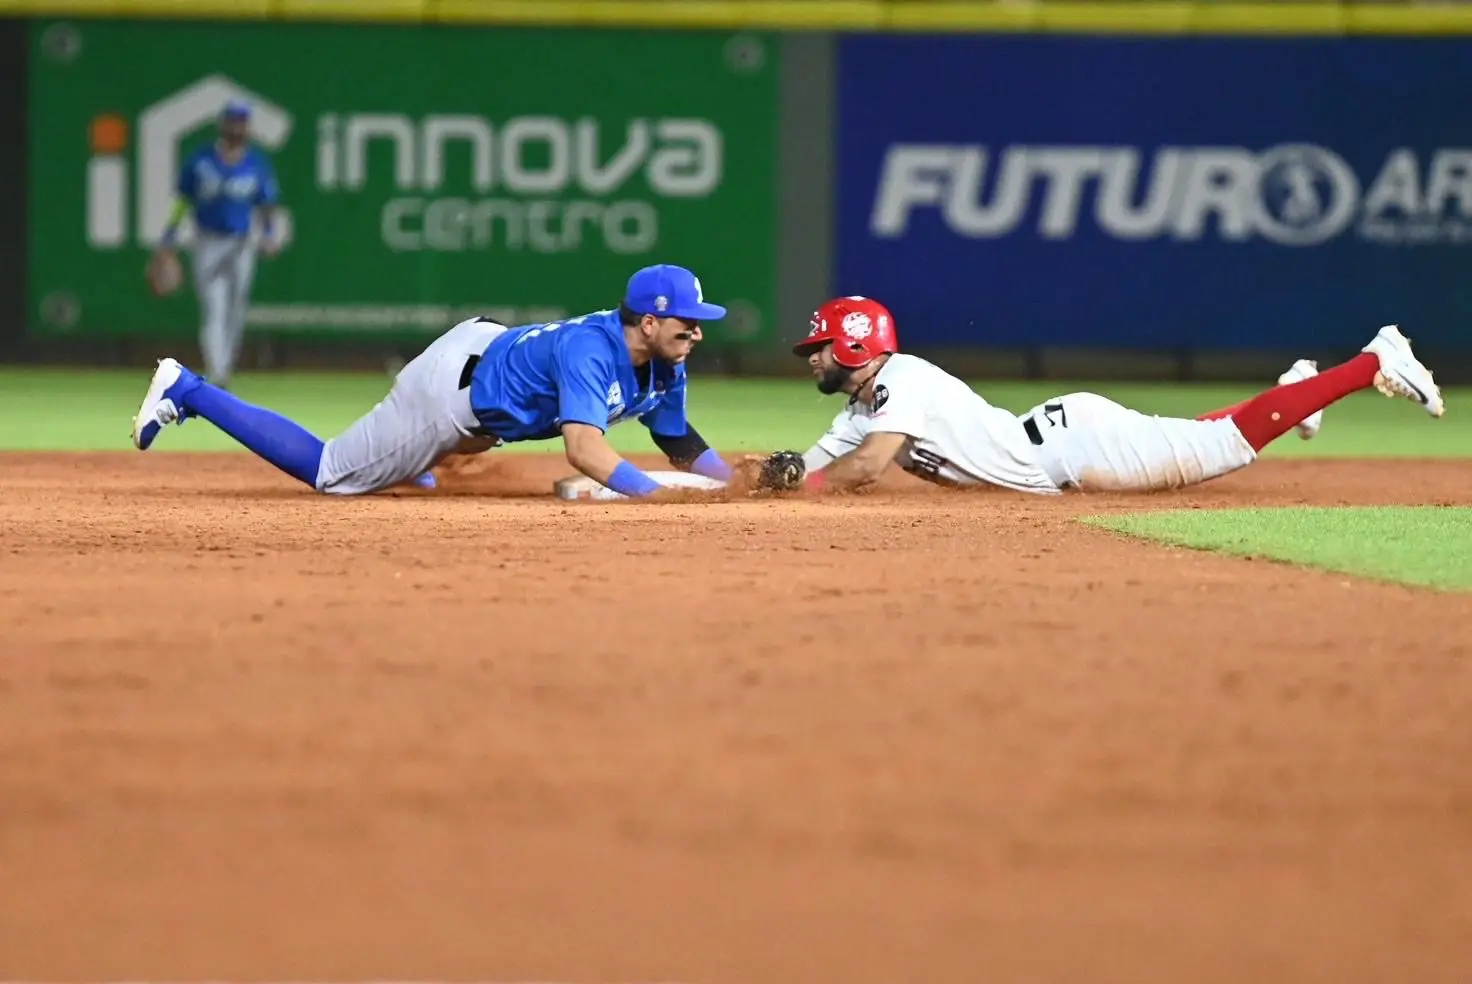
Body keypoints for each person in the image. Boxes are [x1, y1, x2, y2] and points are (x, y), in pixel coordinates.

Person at [130, 264, 736, 499]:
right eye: (689, 323)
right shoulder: (593, 352)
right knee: (331, 474)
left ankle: (410, 463)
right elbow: (584, 449)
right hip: (448, 392)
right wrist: (659, 499)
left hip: (489, 362)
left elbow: (678, 438)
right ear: (649, 321)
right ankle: (189, 389)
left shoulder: (665, 360)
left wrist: (732, 486)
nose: (698, 333)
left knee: (480, 436)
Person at [745, 296, 1443, 496]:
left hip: (1074, 449)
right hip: (1058, 443)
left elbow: (864, 470)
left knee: (1222, 448)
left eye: (821, 348)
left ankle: (1370, 360)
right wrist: (783, 477)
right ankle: (1295, 393)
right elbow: (817, 468)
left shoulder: (901, 383)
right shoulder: (861, 406)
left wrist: (786, 491)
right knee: (1188, 438)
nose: (812, 358)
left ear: (859, 349)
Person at [148, 98, 281, 390]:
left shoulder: (255, 163)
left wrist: (270, 233)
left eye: (242, 121)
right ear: (222, 124)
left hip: (242, 243)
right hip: (208, 241)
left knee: (236, 308)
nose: (237, 127)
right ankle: (218, 371)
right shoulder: (201, 160)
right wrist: (169, 235)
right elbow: (183, 200)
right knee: (213, 306)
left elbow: (266, 203)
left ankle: (225, 366)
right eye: (233, 121)